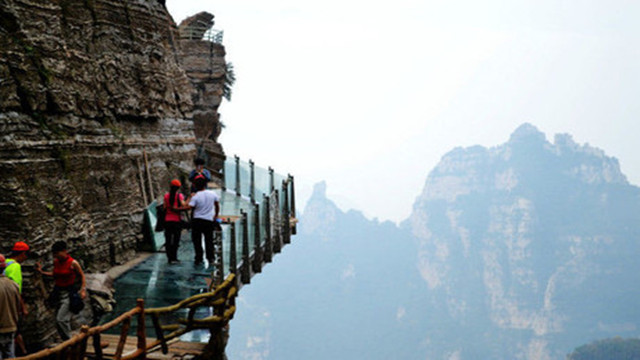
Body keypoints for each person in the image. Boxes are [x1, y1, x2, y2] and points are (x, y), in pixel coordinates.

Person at [36, 241, 88, 340]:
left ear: (64, 251)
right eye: (54, 254)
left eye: (57, 253)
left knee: (61, 319)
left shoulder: (73, 263)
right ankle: (66, 339)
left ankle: (69, 341)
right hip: (58, 292)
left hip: (69, 293)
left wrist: (83, 290)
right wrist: (42, 272)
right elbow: (55, 274)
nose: (55, 255)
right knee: (59, 319)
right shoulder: (56, 262)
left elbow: (82, 276)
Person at [181, 175, 220, 264]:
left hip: (197, 220)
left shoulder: (196, 196)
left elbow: (189, 207)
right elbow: (217, 205)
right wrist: (216, 215)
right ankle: (210, 258)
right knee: (209, 239)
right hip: (209, 220)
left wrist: (177, 208)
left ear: (195, 185)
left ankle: (199, 257)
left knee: (197, 240)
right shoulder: (213, 194)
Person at [0, 254, 21, 360]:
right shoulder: (14, 285)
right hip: (11, 326)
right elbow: (18, 307)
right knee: (10, 355)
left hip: (1, 328)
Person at [163, 179, 186, 264]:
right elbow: (184, 205)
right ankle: (174, 257)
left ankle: (169, 258)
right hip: (176, 220)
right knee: (176, 240)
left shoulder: (166, 196)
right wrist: (189, 199)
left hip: (167, 220)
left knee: (168, 240)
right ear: (178, 188)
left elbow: (165, 207)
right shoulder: (179, 196)